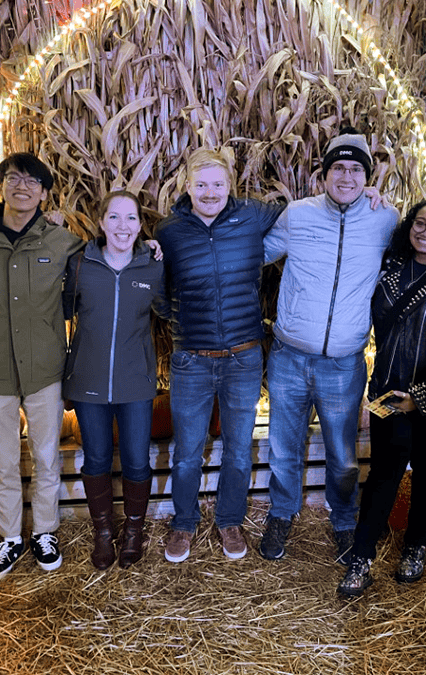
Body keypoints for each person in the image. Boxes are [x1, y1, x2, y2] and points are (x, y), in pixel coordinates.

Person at [259, 128, 400, 565]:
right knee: (284, 447)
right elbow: (253, 254)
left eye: (356, 169)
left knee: (342, 456)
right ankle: (281, 513)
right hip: (288, 356)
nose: (346, 176)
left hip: (343, 363)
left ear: (367, 177)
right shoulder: (296, 216)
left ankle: (343, 521)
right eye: (337, 167)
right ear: (323, 175)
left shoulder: (386, 219)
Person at [336, 198, 426, 596]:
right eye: (421, 224)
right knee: (383, 475)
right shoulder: (388, 270)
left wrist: (423, 395)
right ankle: (361, 558)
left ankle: (415, 547)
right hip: (388, 391)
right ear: (409, 226)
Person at [155, 147, 285, 563]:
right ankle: (184, 523)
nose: (210, 192)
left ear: (230, 184)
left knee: (236, 447)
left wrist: (370, 197)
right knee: (188, 450)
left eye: (218, 183)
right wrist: (182, 324)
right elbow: (158, 292)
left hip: (244, 357)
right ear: (187, 186)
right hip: (191, 359)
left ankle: (229, 519)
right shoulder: (169, 231)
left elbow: (301, 214)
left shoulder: (253, 215)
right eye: (201, 184)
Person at [0, 152, 83, 582]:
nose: (22, 186)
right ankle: (10, 536)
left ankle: (45, 532)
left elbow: (89, 287)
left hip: (45, 366)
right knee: (3, 458)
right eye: (13, 178)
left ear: (45, 193)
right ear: (1, 185)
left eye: (33, 181)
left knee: (48, 456)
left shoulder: (61, 242)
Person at [63, 191, 168, 569]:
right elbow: (59, 310)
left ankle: (135, 531)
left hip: (135, 383)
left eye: (131, 219)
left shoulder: (152, 266)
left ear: (141, 226)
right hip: (89, 382)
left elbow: (170, 309)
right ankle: (104, 533)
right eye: (115, 218)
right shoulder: (79, 264)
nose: (123, 226)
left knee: (138, 461)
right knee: (97, 459)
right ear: (102, 222)